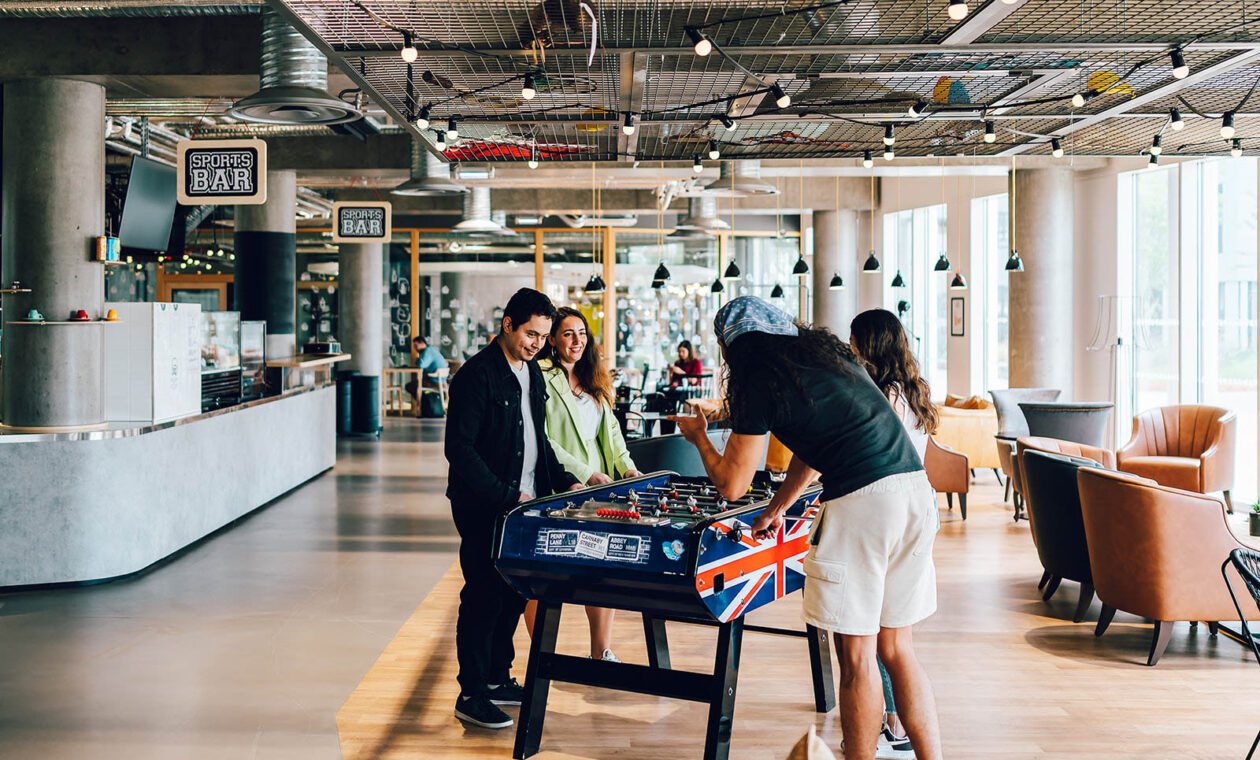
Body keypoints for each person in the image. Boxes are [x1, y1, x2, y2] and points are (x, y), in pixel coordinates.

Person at [668, 296, 942, 760]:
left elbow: (733, 484)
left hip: (864, 503)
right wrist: (779, 505)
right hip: (916, 493)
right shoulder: (828, 358)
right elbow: (817, 446)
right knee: (896, 648)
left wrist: (698, 439)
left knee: (857, 658)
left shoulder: (757, 378)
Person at [444, 288, 583, 730]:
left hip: (524, 505)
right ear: (507, 324)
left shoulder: (532, 374)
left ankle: (498, 677)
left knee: (512, 593)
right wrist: (505, 494)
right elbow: (459, 451)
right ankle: (472, 692)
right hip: (486, 505)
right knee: (483, 594)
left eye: (543, 336)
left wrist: (564, 479)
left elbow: (538, 442)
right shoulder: (476, 376)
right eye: (530, 333)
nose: (537, 343)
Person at [848, 308, 942, 760]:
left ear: (868, 345)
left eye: (853, 341)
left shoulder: (874, 396)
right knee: (897, 638)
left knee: (866, 636)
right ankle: (899, 725)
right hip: (918, 509)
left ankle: (880, 726)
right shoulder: (914, 394)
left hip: (878, 511)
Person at [529, 306, 643, 662]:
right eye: (567, 333)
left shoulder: (594, 376)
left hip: (600, 490)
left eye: (581, 333)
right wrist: (582, 473)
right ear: (552, 339)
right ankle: (541, 654)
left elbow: (610, 434)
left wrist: (628, 470)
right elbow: (543, 438)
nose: (577, 340)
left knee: (601, 573)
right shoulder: (539, 376)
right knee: (544, 576)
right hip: (558, 486)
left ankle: (601, 650)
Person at [405, 336, 448, 414]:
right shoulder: (432, 350)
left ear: (422, 343)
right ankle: (425, 405)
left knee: (410, 386)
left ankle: (423, 407)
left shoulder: (427, 351)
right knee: (416, 384)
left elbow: (421, 364)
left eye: (416, 345)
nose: (415, 348)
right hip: (441, 381)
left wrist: (417, 361)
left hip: (434, 382)